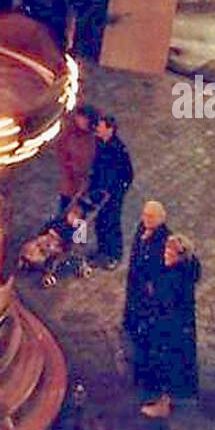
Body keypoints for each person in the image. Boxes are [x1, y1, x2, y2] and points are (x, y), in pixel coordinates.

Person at [140, 233, 201, 418]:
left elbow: (164, 303)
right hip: (179, 327)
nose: (166, 254)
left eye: (171, 253)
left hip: (170, 329)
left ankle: (164, 403)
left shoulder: (174, 279)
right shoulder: (186, 271)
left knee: (168, 363)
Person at [123, 201, 169, 386]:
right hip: (135, 288)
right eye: (144, 215)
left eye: (150, 216)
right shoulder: (142, 229)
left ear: (160, 219)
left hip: (148, 296)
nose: (145, 219)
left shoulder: (164, 240)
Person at [87, 115, 134, 268]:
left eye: (100, 126)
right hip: (99, 192)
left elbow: (127, 174)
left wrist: (117, 192)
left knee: (111, 223)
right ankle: (102, 251)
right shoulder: (99, 143)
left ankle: (114, 255)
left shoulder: (118, 149)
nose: (97, 128)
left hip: (112, 195)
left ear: (109, 129)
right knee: (100, 222)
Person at [55, 106, 97, 214]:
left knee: (78, 218)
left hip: (83, 186)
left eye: (84, 118)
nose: (81, 121)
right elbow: (61, 151)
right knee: (64, 214)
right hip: (70, 185)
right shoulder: (70, 134)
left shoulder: (92, 139)